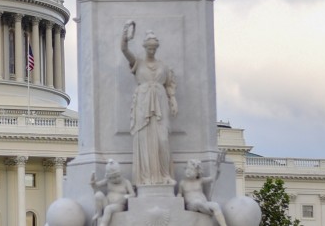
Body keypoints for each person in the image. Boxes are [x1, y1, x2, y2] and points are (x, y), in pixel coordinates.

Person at [121, 21, 177, 185]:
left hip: (160, 101)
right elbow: (124, 50)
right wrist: (125, 34)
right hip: (143, 101)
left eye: (154, 48)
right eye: (149, 48)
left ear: (156, 48)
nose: (151, 50)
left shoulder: (163, 66)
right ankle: (146, 176)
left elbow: (170, 85)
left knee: (163, 139)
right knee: (144, 139)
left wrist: (173, 99)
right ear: (145, 48)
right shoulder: (138, 63)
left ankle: (164, 174)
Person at [178, 160, 228, 226]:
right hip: (191, 206)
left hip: (203, 204)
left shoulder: (200, 180)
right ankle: (210, 212)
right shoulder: (183, 183)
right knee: (197, 202)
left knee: (215, 205)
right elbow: (179, 194)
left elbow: (213, 178)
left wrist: (217, 172)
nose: (188, 171)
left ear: (197, 172)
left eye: (191, 169)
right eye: (187, 168)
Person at [90, 159, 134, 226]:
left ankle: (103, 224)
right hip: (107, 203)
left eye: (118, 176)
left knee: (108, 209)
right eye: (113, 178)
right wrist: (92, 181)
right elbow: (96, 186)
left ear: (121, 174)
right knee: (98, 194)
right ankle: (99, 213)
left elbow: (133, 194)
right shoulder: (108, 181)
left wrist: (128, 196)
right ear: (109, 177)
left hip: (119, 206)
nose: (116, 179)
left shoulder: (126, 182)